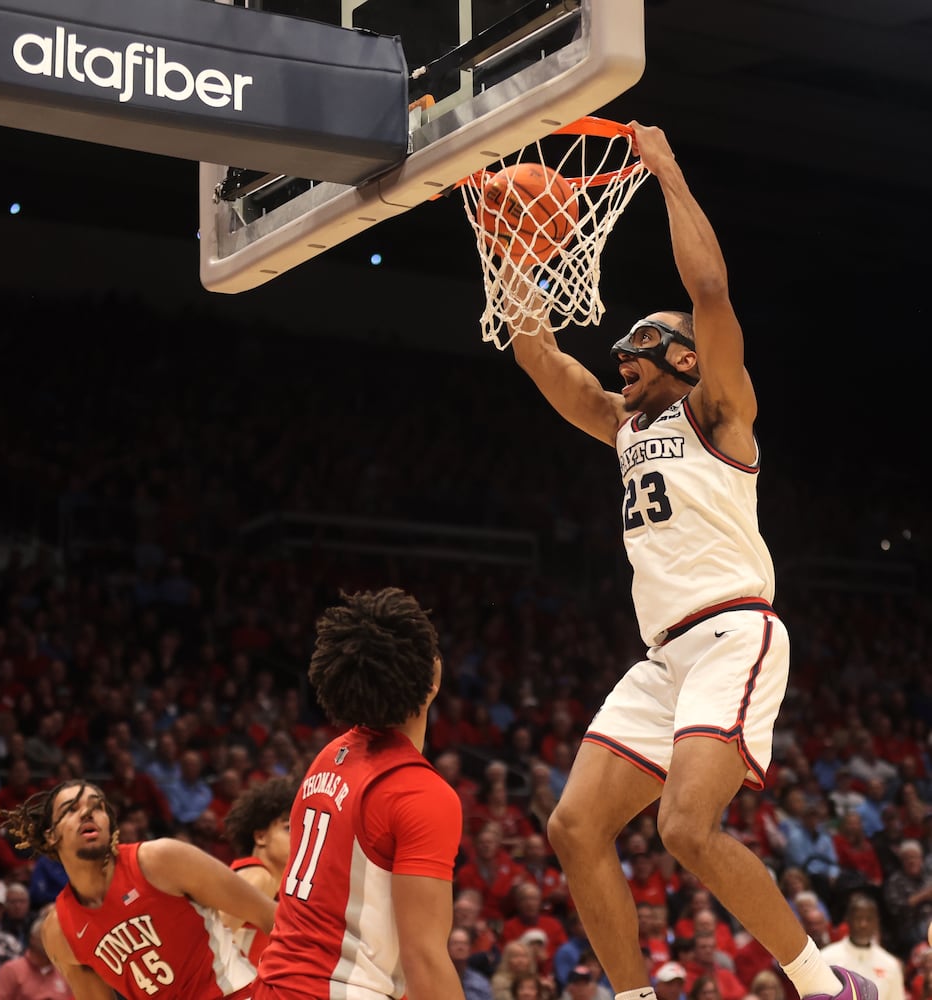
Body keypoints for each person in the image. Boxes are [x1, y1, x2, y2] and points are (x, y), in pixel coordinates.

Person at [504, 120, 877, 1000]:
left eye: (638, 343)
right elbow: (534, 351)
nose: (620, 358)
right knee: (574, 824)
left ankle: (825, 986)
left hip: (734, 632)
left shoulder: (719, 413)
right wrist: (515, 245)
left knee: (685, 827)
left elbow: (707, 285)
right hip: (664, 656)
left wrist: (664, 170)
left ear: (680, 355)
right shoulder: (620, 427)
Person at [254, 587, 465, 1000]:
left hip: (273, 986)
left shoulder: (329, 757)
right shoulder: (422, 794)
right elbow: (425, 962)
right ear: (433, 677)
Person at [0, 778, 276, 999]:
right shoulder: (59, 931)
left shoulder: (159, 860)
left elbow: (273, 916)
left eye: (97, 806)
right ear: (50, 836)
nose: (88, 812)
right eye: (71, 809)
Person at [220, 774, 297, 965]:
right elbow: (208, 940)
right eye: (289, 828)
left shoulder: (281, 890)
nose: (300, 837)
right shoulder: (258, 876)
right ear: (261, 837)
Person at [819, 895, 905, 1000]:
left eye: (869, 919)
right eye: (858, 918)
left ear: (877, 921)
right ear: (848, 919)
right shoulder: (826, 957)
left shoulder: (890, 964)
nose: (863, 924)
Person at [0, 912, 72, 1000]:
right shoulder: (11, 970)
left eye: (54, 937)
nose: (50, 941)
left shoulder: (63, 973)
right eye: (45, 936)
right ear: (33, 938)